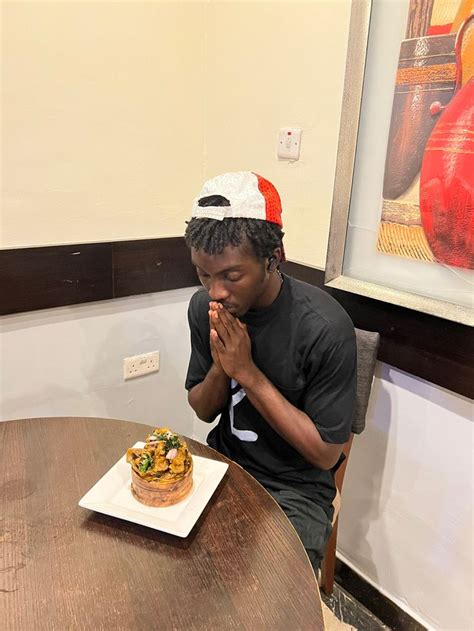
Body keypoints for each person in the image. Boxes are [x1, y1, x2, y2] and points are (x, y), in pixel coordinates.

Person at [184, 171, 357, 570]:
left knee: (269, 596)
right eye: (203, 274)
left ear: (273, 257)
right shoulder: (204, 309)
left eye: (231, 276)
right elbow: (202, 409)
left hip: (295, 490)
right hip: (223, 463)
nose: (216, 291)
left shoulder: (324, 328)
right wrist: (222, 367)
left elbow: (324, 454)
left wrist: (247, 372)